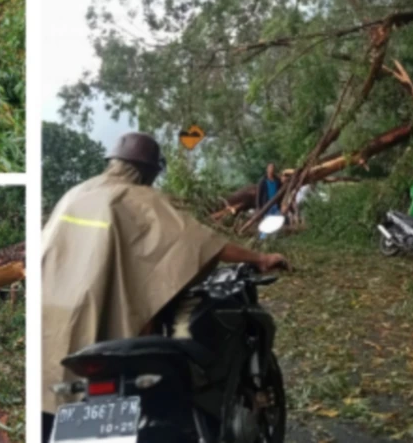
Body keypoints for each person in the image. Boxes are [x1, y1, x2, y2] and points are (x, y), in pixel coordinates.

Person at [41, 132, 287, 440]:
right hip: (97, 314)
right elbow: (201, 241)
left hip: (50, 317)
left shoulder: (76, 194)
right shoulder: (137, 197)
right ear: (149, 170)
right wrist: (260, 257)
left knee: (51, 392)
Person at [256, 162, 283, 240]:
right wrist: (258, 207)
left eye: (273, 168)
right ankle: (263, 239)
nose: (271, 170)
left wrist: (280, 204)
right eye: (270, 168)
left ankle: (273, 240)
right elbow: (259, 195)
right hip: (266, 205)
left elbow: (281, 192)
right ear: (267, 169)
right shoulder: (263, 181)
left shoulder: (277, 180)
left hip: (275, 205)